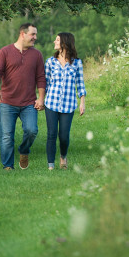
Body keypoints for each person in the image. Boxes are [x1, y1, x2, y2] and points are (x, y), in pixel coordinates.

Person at [0, 22, 46, 170]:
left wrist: (41, 98)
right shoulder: (5, 52)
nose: (35, 37)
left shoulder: (37, 55)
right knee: (6, 136)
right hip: (8, 102)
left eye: (35, 34)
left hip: (29, 103)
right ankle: (8, 166)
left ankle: (24, 150)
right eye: (32, 34)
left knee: (31, 130)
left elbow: (41, 77)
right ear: (23, 34)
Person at [44, 31, 86, 170]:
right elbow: (45, 82)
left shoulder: (77, 63)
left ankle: (63, 156)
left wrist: (82, 102)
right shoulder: (50, 62)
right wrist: (41, 99)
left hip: (68, 105)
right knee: (51, 134)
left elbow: (80, 83)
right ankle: (51, 165)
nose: (54, 42)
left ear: (64, 43)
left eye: (57, 40)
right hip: (51, 102)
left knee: (63, 135)